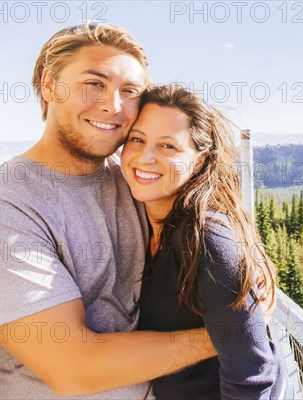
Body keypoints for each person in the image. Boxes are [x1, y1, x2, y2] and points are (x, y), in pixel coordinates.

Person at [0, 23, 216, 399]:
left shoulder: (136, 181)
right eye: (94, 83)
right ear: (49, 85)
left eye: (129, 91)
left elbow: (210, 214)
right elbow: (74, 368)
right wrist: (226, 334)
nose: (112, 106)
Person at [120, 84, 291, 400]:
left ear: (199, 162)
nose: (145, 157)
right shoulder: (142, 220)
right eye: (137, 139)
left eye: (169, 146)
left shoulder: (206, 238)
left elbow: (251, 379)